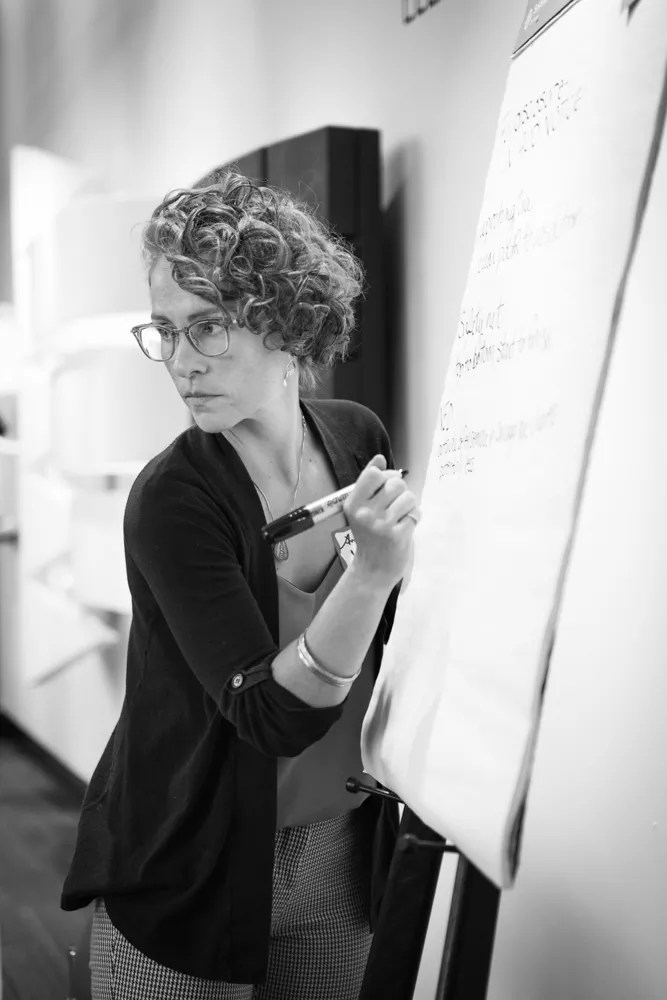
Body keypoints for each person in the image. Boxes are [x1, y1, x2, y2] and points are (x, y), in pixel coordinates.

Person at [61, 169, 420, 1000]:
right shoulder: (173, 499)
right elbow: (270, 714)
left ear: (287, 321)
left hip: (340, 853)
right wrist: (369, 575)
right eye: (166, 331)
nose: (181, 363)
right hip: (190, 859)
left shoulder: (354, 437)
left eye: (209, 327)